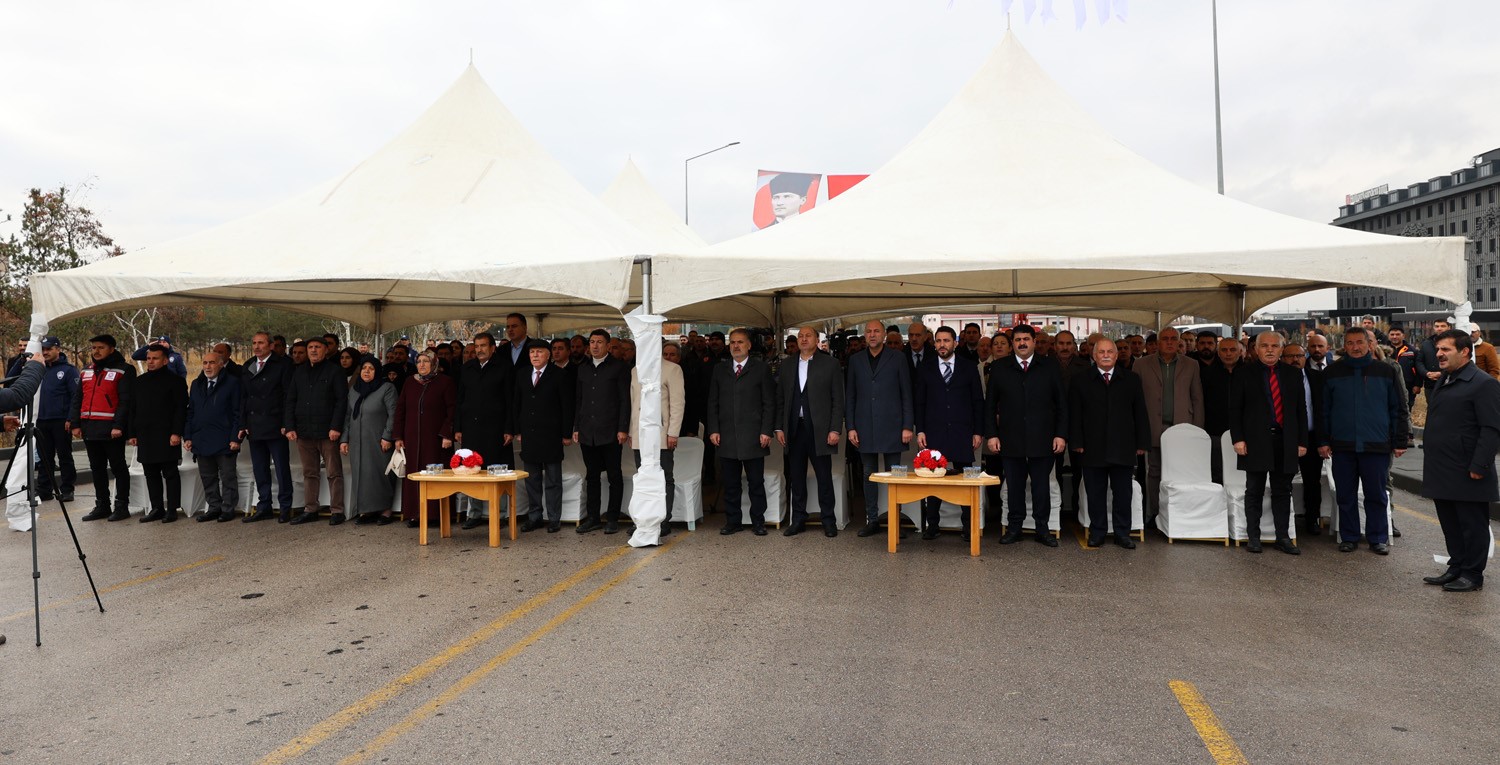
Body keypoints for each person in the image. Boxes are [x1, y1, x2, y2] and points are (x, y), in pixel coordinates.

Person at [1319, 327, 1411, 554]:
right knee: (1345, 494)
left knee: (1376, 495)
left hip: (1377, 444)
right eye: (1350, 343)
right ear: (1344, 346)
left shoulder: (1385, 371)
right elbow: (1324, 410)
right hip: (1343, 444)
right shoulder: (1332, 372)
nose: (1355, 347)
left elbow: (1398, 407)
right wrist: (1322, 440)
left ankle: (1377, 538)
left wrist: (1400, 441)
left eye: (1360, 342)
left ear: (1369, 345)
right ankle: (1349, 536)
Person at [1421, 329, 1500, 592]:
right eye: (1438, 349)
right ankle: (1456, 567)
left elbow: (1491, 429)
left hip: (1468, 468)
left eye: (1446, 349)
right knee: (1451, 524)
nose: (1439, 354)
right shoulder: (1446, 378)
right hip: (1443, 467)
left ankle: (1472, 574)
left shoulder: (1483, 383)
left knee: (1472, 525)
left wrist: (1480, 465)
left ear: (1465, 351)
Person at [985, 324, 1067, 546]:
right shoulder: (1000, 367)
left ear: (1034, 341)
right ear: (1013, 344)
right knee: (1014, 486)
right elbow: (990, 405)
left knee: (1041, 486)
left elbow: (1061, 404)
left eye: (1026, 339)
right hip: (1010, 439)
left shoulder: (1049, 366)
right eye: (1018, 339)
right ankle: (1014, 527)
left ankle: (1043, 528)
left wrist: (1060, 434)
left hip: (1043, 438)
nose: (1022, 343)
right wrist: (992, 435)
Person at [1230, 332, 1308, 555]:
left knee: (1282, 490)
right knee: (1254, 490)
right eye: (1265, 346)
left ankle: (1282, 537)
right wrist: (1238, 439)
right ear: (1256, 349)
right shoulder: (1243, 373)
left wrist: (1302, 441)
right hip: (1254, 440)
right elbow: (1235, 409)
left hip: (1286, 440)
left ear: (1282, 349)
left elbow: (1300, 411)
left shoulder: (1294, 374)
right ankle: (1253, 537)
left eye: (1275, 346)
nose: (1270, 350)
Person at [1069, 338, 1149, 548]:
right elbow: (1074, 414)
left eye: (1110, 352)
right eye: (1101, 352)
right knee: (1095, 493)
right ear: (1093, 355)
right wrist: (1076, 441)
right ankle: (1098, 532)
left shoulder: (1131, 379)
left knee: (1123, 493)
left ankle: (1123, 533)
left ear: (1116, 355)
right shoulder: (1081, 380)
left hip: (1123, 445)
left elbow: (1140, 413)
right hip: (1091, 445)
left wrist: (1142, 442)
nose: (1105, 355)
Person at [913, 326, 984, 540]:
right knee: (933, 480)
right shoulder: (925, 368)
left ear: (955, 343)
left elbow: (977, 402)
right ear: (934, 343)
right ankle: (932, 525)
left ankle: (968, 527)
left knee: (965, 481)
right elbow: (920, 403)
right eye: (938, 341)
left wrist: (978, 431)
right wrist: (920, 430)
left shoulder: (969, 367)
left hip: (963, 431)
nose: (942, 344)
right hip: (934, 431)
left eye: (946, 340)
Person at [845, 319, 914, 538]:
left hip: (893, 426)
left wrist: (907, 425)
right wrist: (851, 427)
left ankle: (896, 520)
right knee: (868, 474)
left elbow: (906, 393)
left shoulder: (898, 358)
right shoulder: (855, 360)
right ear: (864, 335)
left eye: (877, 331)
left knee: (896, 475)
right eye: (868, 331)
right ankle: (872, 519)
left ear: (884, 335)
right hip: (865, 425)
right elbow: (851, 396)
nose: (872, 335)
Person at [775, 326, 844, 538]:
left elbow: (837, 400)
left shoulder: (830, 364)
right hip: (795, 428)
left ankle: (828, 520)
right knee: (796, 477)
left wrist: (835, 429)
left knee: (823, 476)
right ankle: (798, 520)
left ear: (817, 339)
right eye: (800, 337)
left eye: (808, 336)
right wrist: (779, 427)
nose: (804, 340)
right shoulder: (787, 365)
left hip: (820, 429)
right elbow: (780, 399)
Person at [707, 328, 775, 535]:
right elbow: (713, 402)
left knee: (756, 482)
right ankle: (733, 521)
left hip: (754, 436)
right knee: (731, 483)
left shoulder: (761, 369)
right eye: (733, 342)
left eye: (740, 342)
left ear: (749, 345)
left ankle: (758, 522)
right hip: (727, 435)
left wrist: (766, 431)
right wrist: (713, 429)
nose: (736, 346)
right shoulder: (721, 369)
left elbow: (769, 403)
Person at [1134, 327, 1204, 522]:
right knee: (1153, 471)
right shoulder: (1141, 364)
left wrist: (1196, 430)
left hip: (1182, 427)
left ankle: (1176, 514)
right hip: (1152, 426)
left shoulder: (1191, 365)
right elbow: (1135, 400)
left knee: (1179, 472)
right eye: (1165, 339)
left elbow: (1197, 398)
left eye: (1174, 339)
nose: (1170, 342)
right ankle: (1154, 513)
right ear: (1157, 342)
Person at [510, 341, 574, 533]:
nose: (535, 355)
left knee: (553, 480)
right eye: (532, 352)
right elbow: (516, 403)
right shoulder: (522, 374)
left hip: (552, 435)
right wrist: (518, 430)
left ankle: (554, 518)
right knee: (532, 479)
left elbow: (567, 406)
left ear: (548, 355)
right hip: (529, 434)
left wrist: (566, 433)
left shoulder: (559, 375)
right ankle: (535, 516)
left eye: (539, 352)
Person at [284, 337, 349, 526]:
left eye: (317, 347)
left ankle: (337, 510)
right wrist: (290, 426)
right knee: (309, 472)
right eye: (310, 347)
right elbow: (290, 400)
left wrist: (336, 427)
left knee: (333, 472)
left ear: (326, 350)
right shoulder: (299, 372)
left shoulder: (335, 371)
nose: (313, 350)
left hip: (328, 432)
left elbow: (341, 401)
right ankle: (310, 508)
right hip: (304, 432)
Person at [573, 329, 631, 534]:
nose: (595, 346)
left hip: (611, 430)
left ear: (607, 346)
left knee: (614, 475)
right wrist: (576, 427)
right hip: (588, 430)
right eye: (592, 342)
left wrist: (623, 428)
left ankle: (613, 518)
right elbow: (578, 400)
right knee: (592, 476)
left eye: (599, 342)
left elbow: (625, 400)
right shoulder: (583, 368)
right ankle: (594, 517)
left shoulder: (619, 367)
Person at [72, 334, 134, 522]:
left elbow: (126, 401)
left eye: (101, 348)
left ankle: (122, 506)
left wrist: (118, 426)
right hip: (90, 427)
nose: (96, 351)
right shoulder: (85, 371)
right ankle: (102, 506)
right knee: (97, 468)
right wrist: (75, 423)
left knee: (118, 468)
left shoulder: (124, 370)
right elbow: (78, 399)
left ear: (111, 349)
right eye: (93, 348)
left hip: (111, 430)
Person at [394, 350, 457, 528]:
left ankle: (437, 514)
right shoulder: (410, 382)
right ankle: (416, 514)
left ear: (434, 363)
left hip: (436, 440)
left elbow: (452, 410)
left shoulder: (445, 382)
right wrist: (398, 436)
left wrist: (447, 433)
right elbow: (400, 410)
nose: (421, 365)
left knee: (437, 475)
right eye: (419, 361)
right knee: (415, 475)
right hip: (412, 439)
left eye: (426, 361)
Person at [454, 332, 511, 530]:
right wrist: (458, 427)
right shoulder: (467, 368)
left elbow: (510, 401)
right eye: (476, 346)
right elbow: (460, 400)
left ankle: (502, 514)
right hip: (471, 427)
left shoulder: (503, 367)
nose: (479, 350)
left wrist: (508, 429)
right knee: (472, 469)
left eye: (483, 346)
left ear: (492, 348)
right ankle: (474, 513)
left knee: (497, 471)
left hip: (496, 428)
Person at [629, 341, 686, 534]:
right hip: (640, 434)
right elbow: (633, 402)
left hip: (662, 433)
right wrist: (631, 432)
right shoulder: (636, 370)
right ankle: (643, 520)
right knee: (642, 477)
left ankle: (663, 520)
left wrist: (673, 433)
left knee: (664, 477)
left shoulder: (672, 369)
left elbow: (677, 403)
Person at [129, 345, 188, 523]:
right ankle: (157, 508)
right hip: (145, 434)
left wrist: (176, 432)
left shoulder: (176, 381)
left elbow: (180, 410)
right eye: (149, 358)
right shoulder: (140, 382)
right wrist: (132, 432)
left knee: (170, 473)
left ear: (164, 361)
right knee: (150, 472)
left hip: (167, 434)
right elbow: (133, 409)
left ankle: (172, 509)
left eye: (155, 358)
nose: (151, 362)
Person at [242, 331, 296, 523]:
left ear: (271, 345)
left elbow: (287, 396)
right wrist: (243, 423)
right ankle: (264, 505)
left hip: (275, 424)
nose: (257, 346)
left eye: (261, 343)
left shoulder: (283, 365)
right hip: (255, 424)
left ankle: (285, 506)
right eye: (254, 343)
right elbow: (244, 397)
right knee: (260, 469)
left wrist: (286, 423)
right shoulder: (248, 365)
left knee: (281, 468)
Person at [184, 351, 242, 523]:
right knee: (208, 477)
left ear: (221, 364)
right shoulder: (196, 384)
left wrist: (235, 438)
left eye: (212, 363)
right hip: (202, 439)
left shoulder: (232, 383)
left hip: (225, 439)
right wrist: (188, 436)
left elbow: (238, 413)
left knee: (227, 476)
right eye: (205, 363)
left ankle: (228, 508)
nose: (208, 366)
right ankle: (214, 507)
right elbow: (191, 412)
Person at [340, 357, 397, 525]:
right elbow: (348, 416)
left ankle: (385, 511)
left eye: (371, 368)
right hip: (357, 441)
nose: (366, 371)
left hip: (378, 441)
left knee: (380, 475)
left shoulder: (386, 388)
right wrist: (344, 439)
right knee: (361, 475)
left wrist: (387, 436)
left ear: (377, 371)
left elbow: (393, 415)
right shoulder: (355, 390)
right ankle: (366, 511)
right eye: (364, 368)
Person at [1280, 342, 1325, 534]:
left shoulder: (1317, 378)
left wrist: (1324, 440)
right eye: (1290, 356)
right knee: (1283, 481)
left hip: (1312, 437)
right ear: (1283, 358)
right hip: (1285, 438)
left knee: (1312, 481)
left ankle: (1311, 519)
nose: (1295, 360)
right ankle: (1284, 521)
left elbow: (1322, 411)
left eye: (1299, 355)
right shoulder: (1278, 379)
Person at [34, 336, 78, 502]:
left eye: (49, 349)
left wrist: (71, 418)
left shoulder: (68, 370)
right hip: (41, 420)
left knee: (64, 456)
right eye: (43, 349)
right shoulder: (39, 369)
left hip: (61, 420)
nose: (45, 352)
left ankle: (67, 489)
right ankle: (44, 490)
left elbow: (75, 396)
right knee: (44, 457)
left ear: (58, 349)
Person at [1201, 337, 1244, 484]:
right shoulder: (1206, 374)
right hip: (1215, 432)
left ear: (1240, 352)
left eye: (1232, 350)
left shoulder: (1250, 373)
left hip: (1244, 433)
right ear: (1218, 353)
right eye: (1224, 350)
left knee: (1241, 473)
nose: (1228, 353)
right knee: (1217, 472)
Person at [1387, 325, 1421, 409]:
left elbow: (1418, 368)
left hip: (1408, 386)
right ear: (1388, 336)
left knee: (1406, 409)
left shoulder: (1412, 350)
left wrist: (1418, 385)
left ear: (1403, 336)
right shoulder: (1383, 350)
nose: (1394, 337)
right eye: (1392, 334)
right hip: (1388, 385)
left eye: (1397, 334)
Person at [1416, 319, 1451, 395]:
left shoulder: (1455, 343)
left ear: (1449, 327)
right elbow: (1419, 361)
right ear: (1434, 328)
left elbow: (1458, 362)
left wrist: (1442, 374)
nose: (1439, 328)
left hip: (1450, 383)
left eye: (1443, 326)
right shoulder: (1426, 344)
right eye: (1437, 326)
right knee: (1432, 406)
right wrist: (1426, 373)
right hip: (1430, 385)